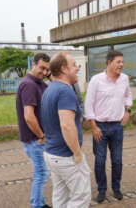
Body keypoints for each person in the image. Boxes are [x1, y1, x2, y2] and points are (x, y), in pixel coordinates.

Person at [41, 52, 91, 208]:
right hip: (66, 156)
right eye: (74, 65)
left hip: (51, 153)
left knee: (60, 196)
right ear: (64, 69)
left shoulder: (49, 89)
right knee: (81, 197)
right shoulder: (65, 91)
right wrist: (77, 153)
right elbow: (66, 125)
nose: (77, 68)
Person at [84, 50, 133, 203]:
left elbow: (128, 96)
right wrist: (93, 126)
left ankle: (116, 188)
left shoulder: (124, 79)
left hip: (117, 127)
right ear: (109, 62)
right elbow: (88, 104)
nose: (121, 65)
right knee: (100, 161)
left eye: (122, 62)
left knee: (117, 160)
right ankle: (102, 190)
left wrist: (127, 111)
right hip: (100, 127)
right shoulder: (96, 80)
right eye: (118, 62)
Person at [15, 53, 51, 208]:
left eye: (47, 70)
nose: (44, 72)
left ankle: (39, 203)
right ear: (33, 64)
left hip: (38, 138)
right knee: (41, 173)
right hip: (35, 139)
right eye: (42, 68)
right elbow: (29, 116)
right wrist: (41, 135)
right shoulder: (29, 84)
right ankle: (37, 205)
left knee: (42, 172)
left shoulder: (40, 83)